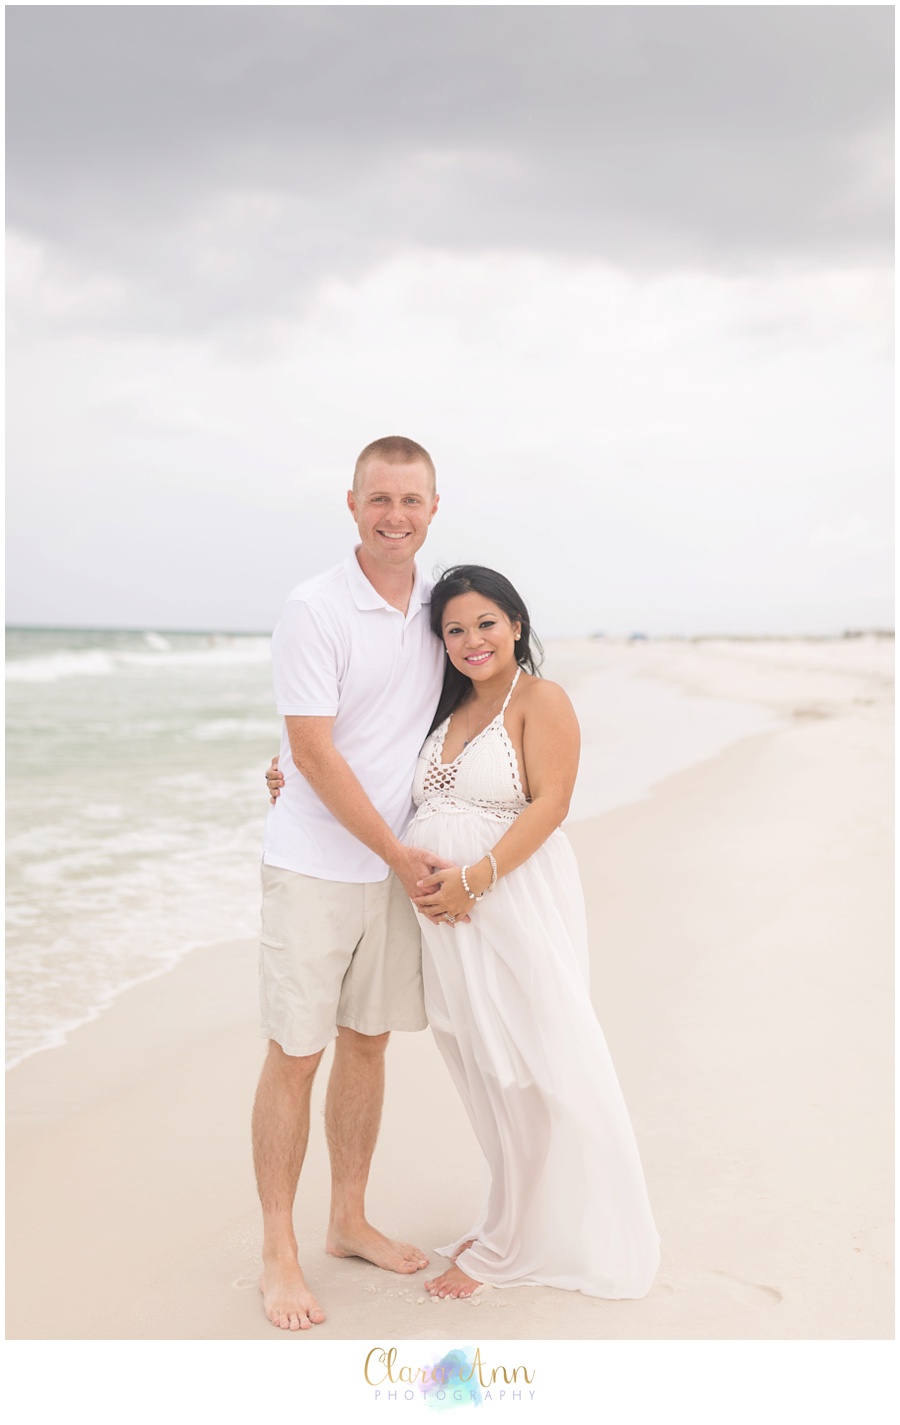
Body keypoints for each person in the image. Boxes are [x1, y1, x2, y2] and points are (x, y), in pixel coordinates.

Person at [268, 563, 660, 1302]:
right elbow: (360, 744)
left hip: (509, 904)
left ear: (516, 623)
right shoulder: (442, 710)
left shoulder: (540, 700)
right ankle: (511, 1216)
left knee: (538, 1058)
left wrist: (475, 879)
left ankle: (525, 1239)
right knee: (483, 1067)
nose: (472, 639)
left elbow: (551, 805)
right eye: (454, 629)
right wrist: (288, 765)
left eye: (486, 623)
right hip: (447, 920)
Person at [253, 434, 457, 1332]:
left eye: (412, 501)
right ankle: (277, 1249)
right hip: (316, 865)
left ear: (433, 508)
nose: (396, 516)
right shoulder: (314, 606)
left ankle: (346, 1217)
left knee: (367, 1042)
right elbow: (313, 750)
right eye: (380, 499)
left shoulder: (441, 602)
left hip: (394, 866)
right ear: (351, 504)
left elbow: (480, 691)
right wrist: (393, 848)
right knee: (297, 1054)